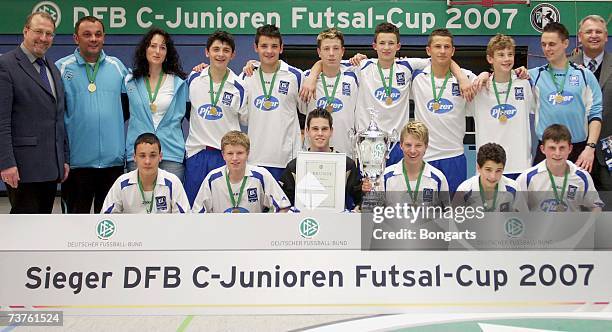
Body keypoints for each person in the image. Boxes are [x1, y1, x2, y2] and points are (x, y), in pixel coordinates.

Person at [304, 23, 473, 166]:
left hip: (398, 145)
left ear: (398, 46)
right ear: (374, 46)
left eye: (391, 43)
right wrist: (312, 76)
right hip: (368, 144)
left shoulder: (407, 67)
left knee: (396, 195)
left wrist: (462, 78)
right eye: (382, 43)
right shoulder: (362, 66)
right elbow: (327, 62)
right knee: (370, 196)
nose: (386, 48)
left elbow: (441, 59)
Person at [56, 16, 129, 213]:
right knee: (74, 229)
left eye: (98, 34)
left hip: (112, 164)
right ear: (75, 38)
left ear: (104, 37)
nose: (93, 39)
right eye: (87, 34)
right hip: (76, 165)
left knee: (109, 228)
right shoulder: (61, 68)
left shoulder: (117, 67)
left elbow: (142, 91)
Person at [0, 12, 68, 213]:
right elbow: (1, 120)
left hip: (50, 168)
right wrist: (6, 163)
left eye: (49, 34)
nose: (44, 38)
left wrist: (63, 158)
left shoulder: (53, 69)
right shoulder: (6, 65)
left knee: (42, 229)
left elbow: (59, 119)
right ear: (25, 31)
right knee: (23, 230)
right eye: (39, 32)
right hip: (22, 169)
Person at [184, 30, 247, 205]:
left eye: (226, 50)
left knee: (224, 207)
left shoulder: (239, 87)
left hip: (225, 156)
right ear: (207, 52)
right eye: (216, 49)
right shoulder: (194, 78)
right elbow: (187, 112)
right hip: (197, 153)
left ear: (233, 55)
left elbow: (245, 120)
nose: (220, 54)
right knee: (194, 207)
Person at [529, 22, 602, 171]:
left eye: (552, 44)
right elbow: (501, 79)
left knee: (577, 194)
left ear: (565, 43)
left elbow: (595, 114)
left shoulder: (584, 75)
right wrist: (485, 75)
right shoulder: (533, 76)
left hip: (579, 151)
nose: (547, 49)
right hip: (546, 151)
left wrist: (590, 148)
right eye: (543, 44)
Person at [411, 28, 476, 193]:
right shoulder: (416, 77)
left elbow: (492, 80)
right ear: (428, 50)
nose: (442, 51)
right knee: (423, 212)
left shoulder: (466, 78)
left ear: (453, 51)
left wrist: (480, 75)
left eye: (447, 47)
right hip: (424, 157)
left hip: (454, 157)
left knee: (453, 211)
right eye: (437, 46)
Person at [240, 24, 305, 181]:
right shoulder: (246, 77)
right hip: (255, 159)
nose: (269, 51)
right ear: (255, 48)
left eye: (274, 46)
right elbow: (243, 118)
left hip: (287, 160)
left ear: (281, 48)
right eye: (264, 46)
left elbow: (306, 110)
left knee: (286, 206)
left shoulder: (296, 76)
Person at [124, 28, 188, 183]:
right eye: (153, 46)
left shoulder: (179, 83)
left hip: (171, 152)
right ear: (145, 49)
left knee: (171, 202)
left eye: (163, 47)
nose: (157, 51)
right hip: (139, 152)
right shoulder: (129, 81)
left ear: (167, 53)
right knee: (139, 204)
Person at [470, 34, 536, 179]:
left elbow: (538, 107)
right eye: (501, 55)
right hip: (489, 167)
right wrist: (483, 74)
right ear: (490, 59)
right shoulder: (479, 87)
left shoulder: (524, 84)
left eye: (510, 54)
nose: (507, 59)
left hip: (520, 165)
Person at [280, 108, 362, 210]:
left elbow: (361, 199)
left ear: (331, 131)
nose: (320, 133)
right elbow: (283, 204)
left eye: (324, 129)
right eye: (315, 129)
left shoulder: (347, 165)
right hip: (304, 223)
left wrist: (368, 193)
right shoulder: (294, 166)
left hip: (337, 223)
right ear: (307, 131)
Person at [192, 131, 291, 213]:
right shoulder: (212, 178)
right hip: (220, 233)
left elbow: (283, 208)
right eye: (230, 153)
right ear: (223, 155)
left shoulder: (261, 175)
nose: (235, 158)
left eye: (239, 153)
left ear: (248, 153)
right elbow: (197, 213)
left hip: (254, 233)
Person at [516, 124, 603, 212]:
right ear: (542, 149)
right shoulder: (527, 178)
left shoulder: (582, 177)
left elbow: (596, 205)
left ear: (570, 148)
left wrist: (588, 225)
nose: (557, 153)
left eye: (562, 148)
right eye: (552, 148)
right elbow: (516, 209)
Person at [363, 121, 450, 207]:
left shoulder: (438, 178)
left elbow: (447, 215)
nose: (412, 151)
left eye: (418, 145)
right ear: (401, 145)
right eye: (408, 145)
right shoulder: (385, 177)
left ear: (426, 146)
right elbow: (374, 214)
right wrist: (369, 195)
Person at [569, 15, 611, 194]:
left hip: (608, 154)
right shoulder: (565, 67)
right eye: (589, 31)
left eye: (598, 31)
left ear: (606, 36)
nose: (594, 35)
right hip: (573, 153)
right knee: (572, 208)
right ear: (580, 36)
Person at [302, 28, 358, 156]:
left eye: (336, 48)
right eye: (326, 49)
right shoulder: (306, 79)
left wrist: (360, 57)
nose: (331, 53)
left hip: (345, 152)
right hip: (312, 154)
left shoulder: (354, 76)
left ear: (343, 51)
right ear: (319, 52)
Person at [102, 133, 189, 214]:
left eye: (153, 155)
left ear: (160, 157)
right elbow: (106, 218)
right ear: (135, 158)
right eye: (142, 156)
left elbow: (184, 219)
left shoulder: (173, 183)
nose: (147, 161)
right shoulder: (121, 183)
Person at [454, 143, 524, 212]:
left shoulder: (513, 188)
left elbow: (523, 219)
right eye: (488, 170)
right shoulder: (464, 190)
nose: (493, 176)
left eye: (498, 170)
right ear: (478, 168)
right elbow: (453, 221)